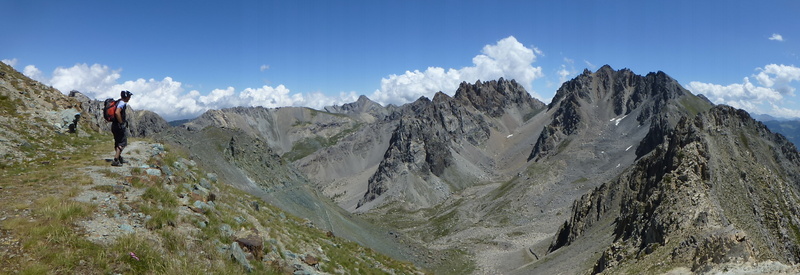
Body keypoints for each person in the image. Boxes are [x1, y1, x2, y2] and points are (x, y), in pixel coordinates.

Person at [111, 90, 132, 166]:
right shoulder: (122, 103)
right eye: (129, 96)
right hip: (118, 125)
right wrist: (121, 123)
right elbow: (117, 112)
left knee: (117, 142)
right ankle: (116, 160)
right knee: (122, 143)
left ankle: (119, 157)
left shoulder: (118, 102)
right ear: (126, 97)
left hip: (114, 125)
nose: (130, 98)